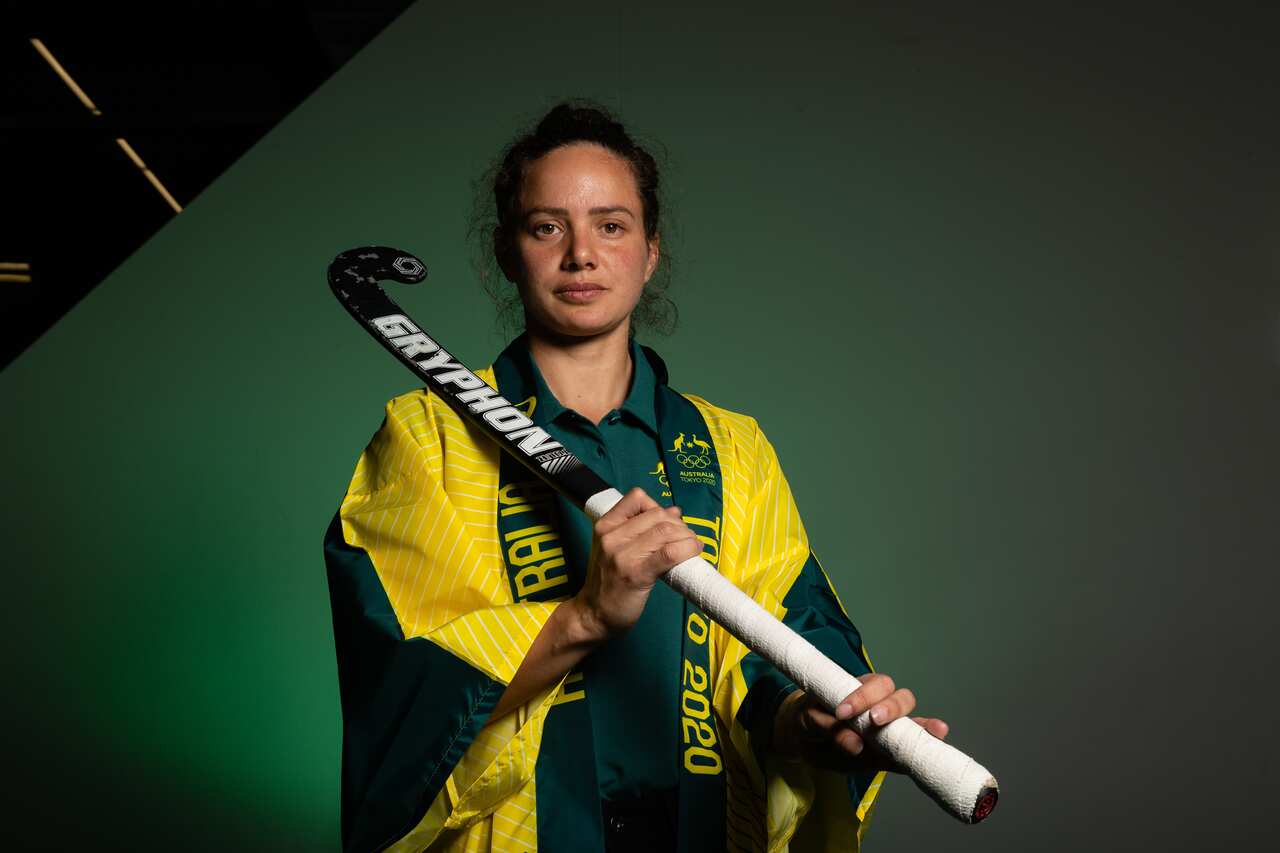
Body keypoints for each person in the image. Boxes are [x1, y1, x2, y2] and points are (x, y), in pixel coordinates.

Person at [324, 102, 950, 853]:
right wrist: (586, 615)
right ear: (506, 250)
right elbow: (401, 687)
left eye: (611, 225)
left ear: (651, 251)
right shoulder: (430, 437)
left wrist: (813, 722)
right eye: (547, 226)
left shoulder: (732, 447)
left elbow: (786, 631)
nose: (581, 253)